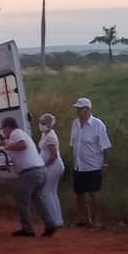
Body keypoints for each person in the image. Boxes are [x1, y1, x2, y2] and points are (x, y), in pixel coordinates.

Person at [0, 117, 57, 237]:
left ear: (8, 127)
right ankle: (50, 223)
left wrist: (5, 147)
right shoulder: (17, 135)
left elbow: (22, 145)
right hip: (40, 170)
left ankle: (28, 228)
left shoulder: (16, 133)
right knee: (37, 199)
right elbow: (9, 145)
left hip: (30, 172)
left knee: (21, 199)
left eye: (3, 130)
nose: (3, 133)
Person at [69, 97, 112, 229]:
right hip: (79, 166)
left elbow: (106, 147)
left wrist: (105, 164)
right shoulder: (75, 124)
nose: (78, 111)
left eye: (80, 108)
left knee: (94, 193)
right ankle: (83, 219)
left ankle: (97, 220)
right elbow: (73, 144)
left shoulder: (98, 125)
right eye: (77, 108)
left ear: (87, 109)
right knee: (79, 193)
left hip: (93, 165)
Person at [37, 113, 65, 229]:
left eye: (43, 123)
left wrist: (44, 166)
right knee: (52, 192)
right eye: (41, 123)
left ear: (49, 124)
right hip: (51, 166)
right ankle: (58, 220)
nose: (41, 125)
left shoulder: (51, 137)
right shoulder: (45, 134)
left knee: (46, 192)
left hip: (53, 166)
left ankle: (54, 220)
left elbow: (53, 155)